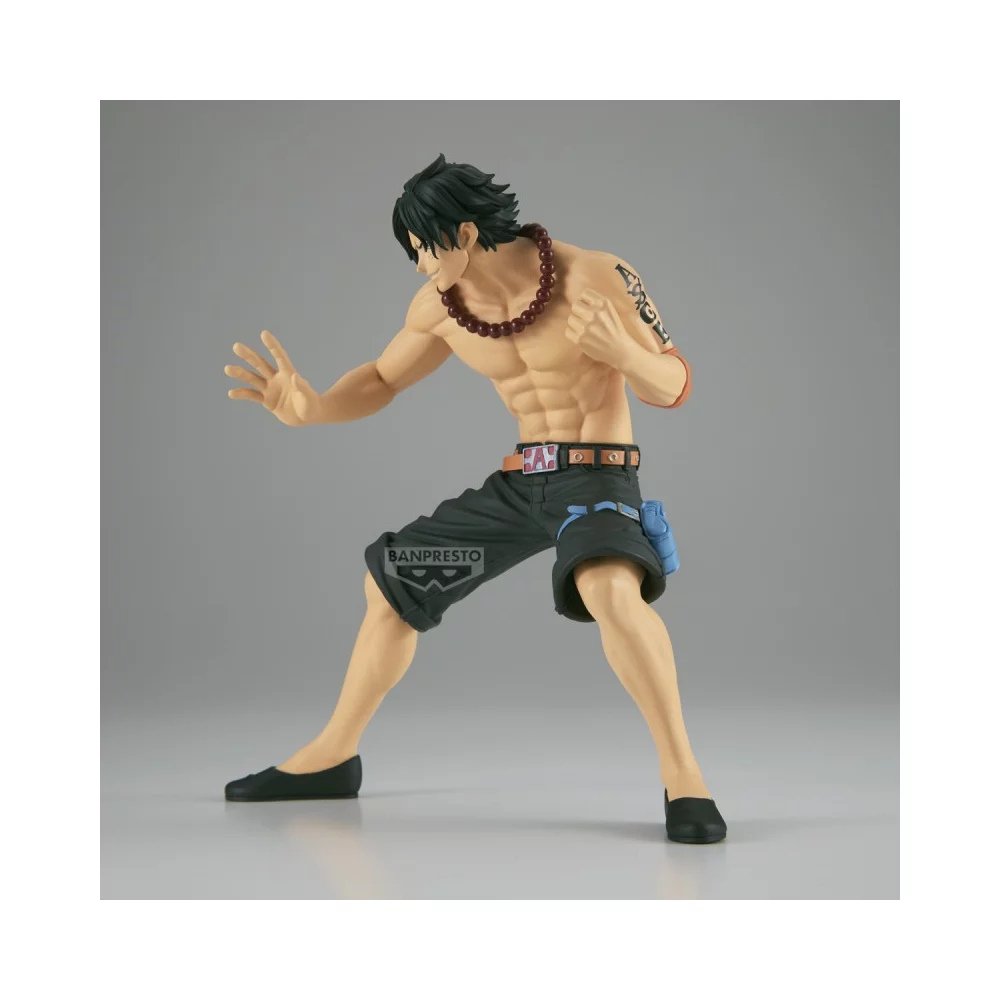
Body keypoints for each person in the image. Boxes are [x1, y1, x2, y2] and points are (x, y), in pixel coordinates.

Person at [223, 154, 726, 843]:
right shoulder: (442, 308)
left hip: (595, 480)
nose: (420, 266)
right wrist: (312, 407)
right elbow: (382, 379)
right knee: (394, 582)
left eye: (424, 249)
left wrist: (625, 353)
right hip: (521, 487)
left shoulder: (597, 275)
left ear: (463, 233)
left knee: (609, 589)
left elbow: (673, 384)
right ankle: (334, 755)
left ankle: (684, 776)